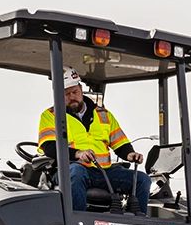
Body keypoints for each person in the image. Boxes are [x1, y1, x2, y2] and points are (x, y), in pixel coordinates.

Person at [37, 68, 151, 215]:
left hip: (104, 172)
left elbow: (120, 143)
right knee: (76, 173)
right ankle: (77, 222)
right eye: (66, 94)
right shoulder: (51, 116)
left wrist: (130, 154)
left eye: (75, 92)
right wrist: (77, 154)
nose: (72, 97)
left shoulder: (104, 115)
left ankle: (137, 222)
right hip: (71, 169)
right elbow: (49, 146)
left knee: (142, 179)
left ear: (81, 89)